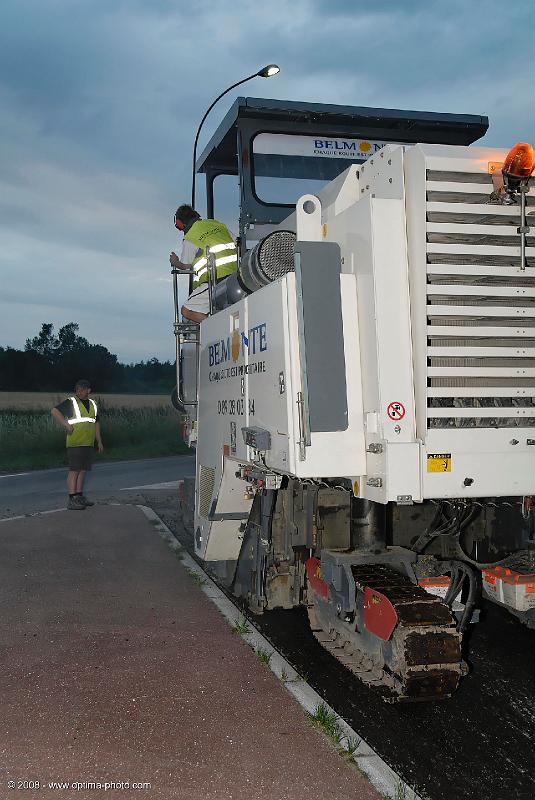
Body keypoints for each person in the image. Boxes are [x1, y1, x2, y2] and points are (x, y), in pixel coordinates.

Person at [169, 204, 238, 323]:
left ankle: (218, 328)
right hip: (235, 276)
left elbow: (185, 265)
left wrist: (175, 262)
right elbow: (237, 242)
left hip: (214, 281)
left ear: (180, 224)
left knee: (187, 311)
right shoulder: (215, 223)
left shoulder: (190, 237)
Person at [51, 379, 104, 511]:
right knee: (74, 471)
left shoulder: (93, 404)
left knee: (83, 470)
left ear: (88, 390)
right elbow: (54, 411)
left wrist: (99, 441)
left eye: (82, 389)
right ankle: (71, 499)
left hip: (88, 442)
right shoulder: (72, 402)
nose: (79, 391)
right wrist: (66, 425)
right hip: (75, 442)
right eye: (77, 389)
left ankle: (79, 496)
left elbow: (96, 423)